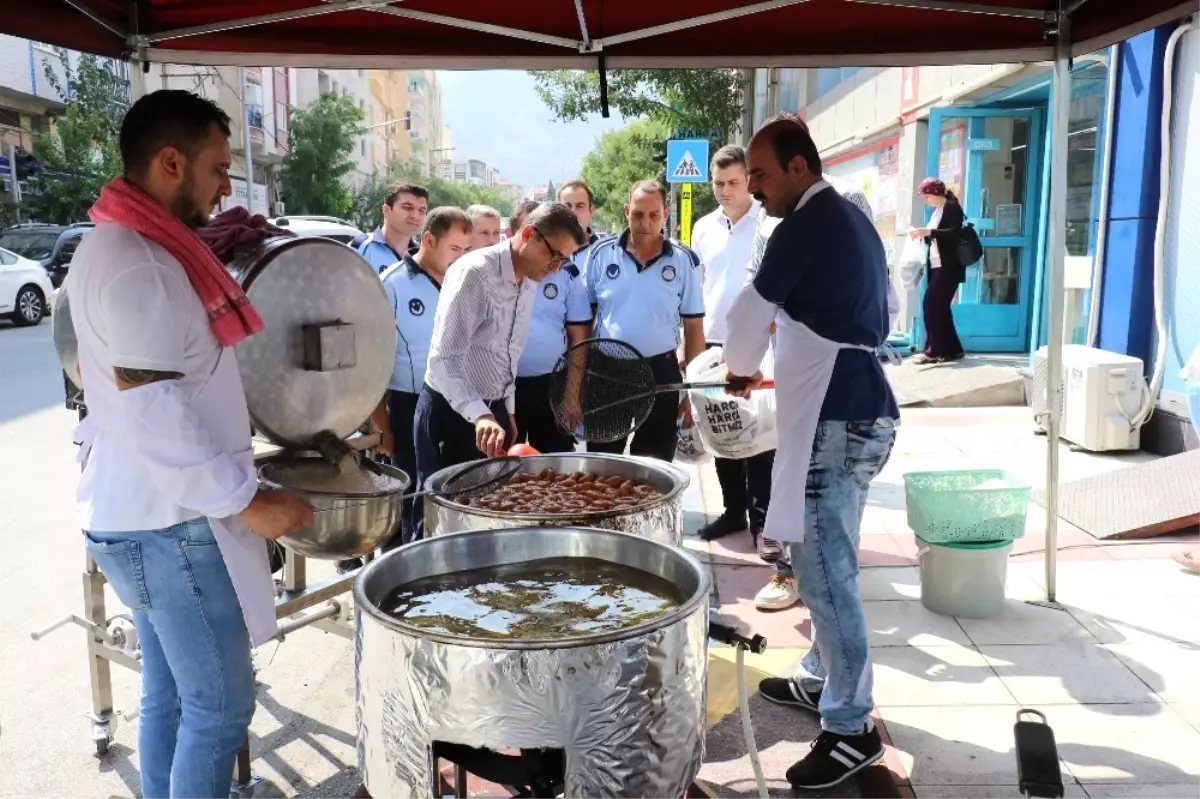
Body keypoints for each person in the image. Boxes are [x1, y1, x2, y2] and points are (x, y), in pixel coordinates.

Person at [68, 90, 314, 799]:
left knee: (173, 694)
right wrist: (245, 499)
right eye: (216, 167)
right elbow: (154, 405)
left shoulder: (121, 244)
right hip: (167, 524)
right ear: (171, 162)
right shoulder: (139, 262)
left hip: (139, 513)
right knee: (221, 706)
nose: (226, 186)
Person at [724, 115, 899, 790]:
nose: (756, 188)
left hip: (840, 417)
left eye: (762, 175)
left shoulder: (803, 225)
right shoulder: (848, 217)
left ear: (800, 168)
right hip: (853, 409)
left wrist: (738, 364)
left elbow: (746, 320)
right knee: (823, 556)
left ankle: (851, 727)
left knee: (826, 577)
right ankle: (823, 677)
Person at [412, 203, 586, 537]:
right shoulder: (475, 272)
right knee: (442, 523)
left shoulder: (532, 277)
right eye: (554, 255)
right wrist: (480, 414)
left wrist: (507, 410)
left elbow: (508, 350)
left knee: (490, 516)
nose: (555, 267)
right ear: (528, 235)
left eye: (564, 261)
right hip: (453, 412)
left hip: (492, 412)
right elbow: (444, 360)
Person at [368, 206, 472, 545]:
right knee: (415, 493)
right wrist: (381, 424)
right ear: (429, 239)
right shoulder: (393, 284)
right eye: (455, 249)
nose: (461, 258)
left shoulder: (464, 282)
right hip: (408, 403)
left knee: (457, 489)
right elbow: (372, 360)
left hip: (458, 401)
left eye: (466, 251)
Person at [581, 180, 706, 462]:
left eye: (653, 215)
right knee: (601, 462)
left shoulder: (684, 261)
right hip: (607, 370)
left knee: (654, 465)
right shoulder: (601, 255)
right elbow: (582, 321)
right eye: (637, 214)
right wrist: (578, 378)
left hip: (660, 371)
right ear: (627, 211)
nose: (645, 222)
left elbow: (694, 326)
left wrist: (693, 391)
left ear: (666, 213)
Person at [691, 145, 776, 547]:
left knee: (758, 434)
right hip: (713, 344)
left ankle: (763, 521)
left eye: (733, 183)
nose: (725, 191)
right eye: (718, 183)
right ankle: (733, 511)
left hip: (757, 343)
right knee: (722, 432)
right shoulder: (704, 227)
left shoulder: (769, 222)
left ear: (748, 181)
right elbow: (702, 284)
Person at [512, 191, 596, 453]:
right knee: (502, 469)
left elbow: (579, 337)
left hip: (550, 386)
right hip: (505, 386)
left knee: (556, 469)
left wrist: (572, 395)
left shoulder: (567, 274)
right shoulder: (494, 274)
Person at [909, 177, 966, 364]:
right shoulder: (937, 212)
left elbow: (954, 233)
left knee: (931, 305)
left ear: (935, 193)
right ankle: (953, 350)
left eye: (926, 197)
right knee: (940, 308)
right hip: (937, 266)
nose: (926, 201)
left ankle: (933, 351)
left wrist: (930, 233)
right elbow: (937, 237)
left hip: (949, 267)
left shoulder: (951, 207)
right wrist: (922, 235)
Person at [356, 180, 429, 273]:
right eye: (407, 207)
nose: (415, 216)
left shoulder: (424, 256)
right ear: (386, 210)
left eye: (422, 210)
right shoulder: (361, 249)